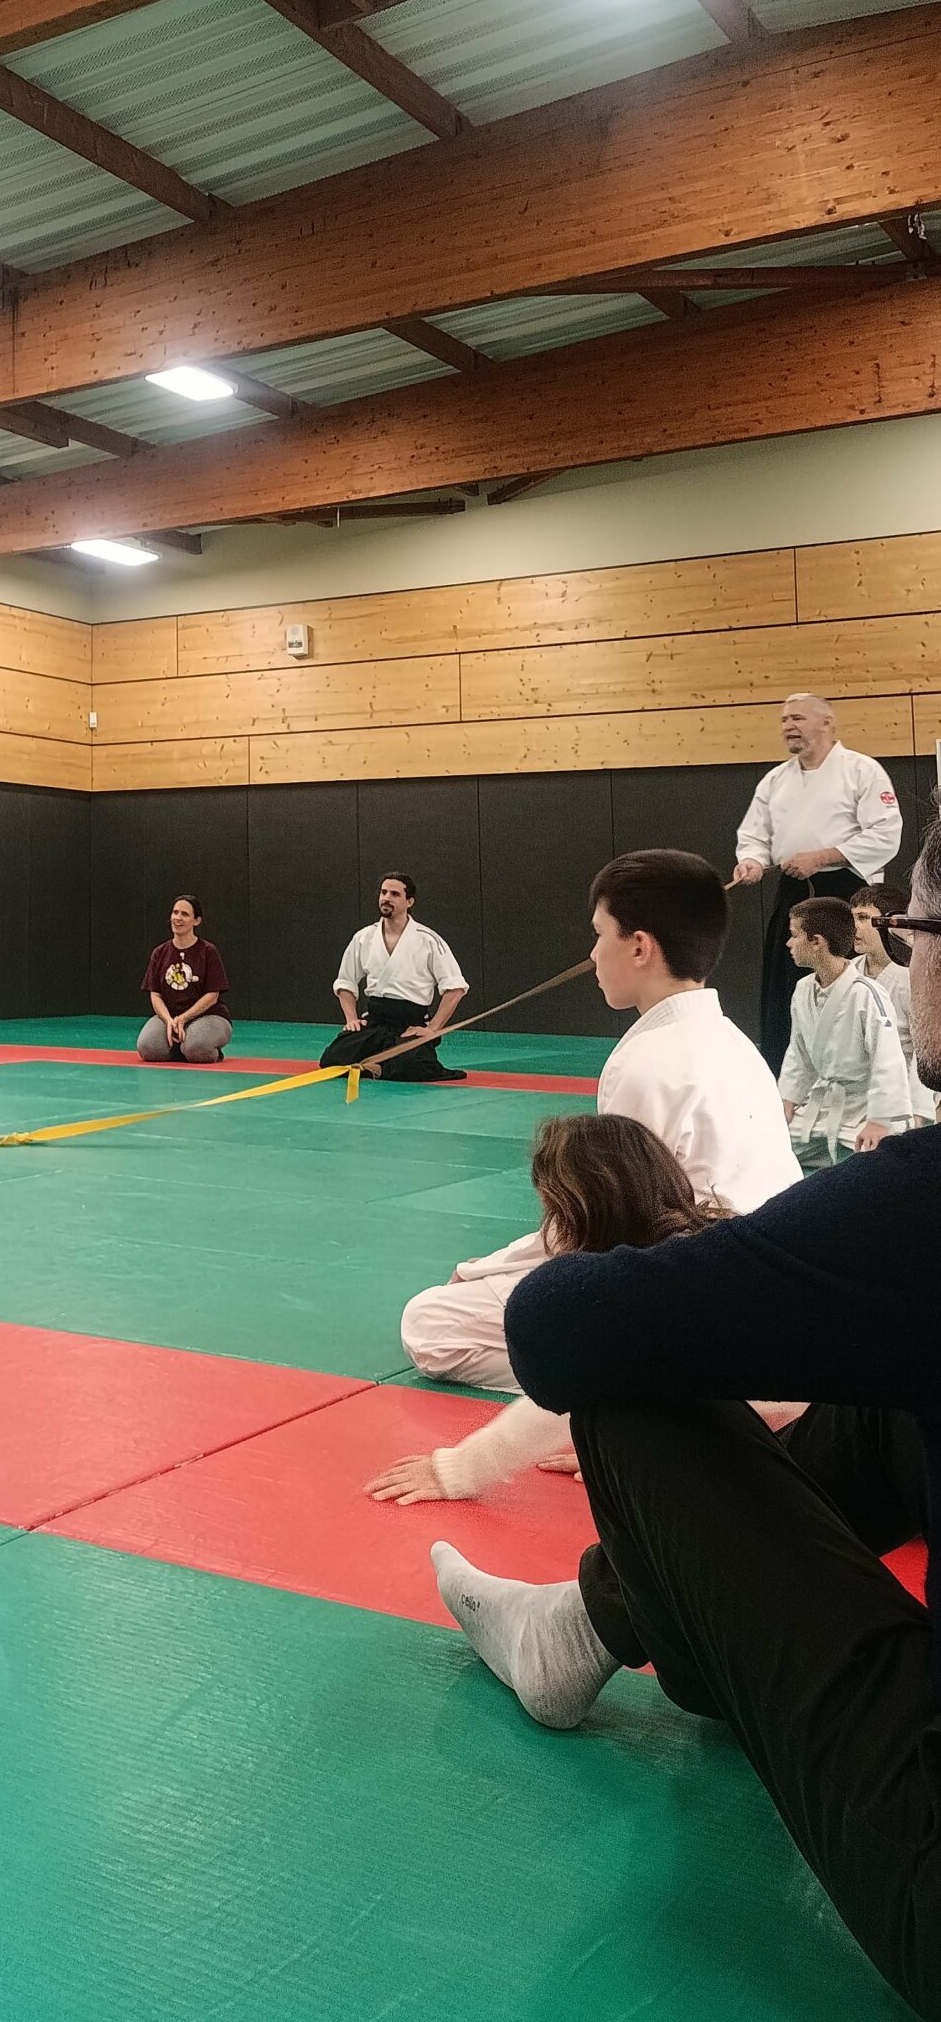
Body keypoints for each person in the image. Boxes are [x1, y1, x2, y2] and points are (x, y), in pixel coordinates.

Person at [425, 808, 941, 2021]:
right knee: (880, 1401)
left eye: (916, 928)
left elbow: (561, 1326)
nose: (904, 953)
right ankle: (600, 1617)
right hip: (796, 1285)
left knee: (624, 1374)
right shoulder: (739, 1045)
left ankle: (597, 1628)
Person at [399, 850, 799, 1390]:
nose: (592, 954)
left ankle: (642, 1385)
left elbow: (606, 1226)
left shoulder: (644, 1062)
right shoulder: (739, 1045)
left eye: (599, 934)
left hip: (693, 1290)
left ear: (639, 947)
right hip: (765, 1281)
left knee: (431, 1323)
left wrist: (488, 1267)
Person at [370, 1114, 753, 1507]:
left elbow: (573, 1388)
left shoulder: (650, 1288)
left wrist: (455, 1472)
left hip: (767, 1456)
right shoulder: (702, 1239)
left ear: (582, 1214)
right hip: (756, 1431)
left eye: (554, 1213)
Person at [732, 692, 901, 1070]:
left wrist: (823, 856)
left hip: (847, 893)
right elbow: (755, 834)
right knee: (787, 984)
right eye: (784, 720)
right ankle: (786, 1071)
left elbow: (886, 833)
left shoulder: (862, 770)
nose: (788, 726)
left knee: (846, 984)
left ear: (826, 723)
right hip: (793, 890)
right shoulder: (775, 780)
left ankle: (855, 1068)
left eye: (798, 718)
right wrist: (751, 861)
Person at [777, 895, 911, 1165]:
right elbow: (799, 1055)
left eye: (795, 935)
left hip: (864, 1109)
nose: (789, 943)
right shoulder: (803, 989)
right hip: (822, 1107)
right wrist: (789, 1099)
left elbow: (887, 1059)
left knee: (875, 1162)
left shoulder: (867, 993)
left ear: (817, 942)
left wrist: (879, 1120)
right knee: (767, 1148)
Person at [318, 873, 468, 1083]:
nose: (386, 898)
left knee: (412, 1066)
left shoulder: (428, 940)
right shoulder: (363, 937)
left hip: (411, 1023)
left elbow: (455, 988)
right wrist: (351, 1019)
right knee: (333, 1059)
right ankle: (382, 1065)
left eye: (395, 894)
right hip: (375, 1021)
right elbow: (345, 982)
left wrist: (433, 1028)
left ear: (409, 901)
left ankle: (377, 1066)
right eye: (384, 892)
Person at [854, 882, 936, 1126]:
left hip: (902, 1096)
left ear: (892, 924)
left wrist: (917, 1112)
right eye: (852, 918)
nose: (854, 926)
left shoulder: (911, 976)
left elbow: (923, 1051)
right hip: (855, 1095)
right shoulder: (848, 973)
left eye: (863, 918)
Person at [137, 894, 232, 1063]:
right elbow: (155, 994)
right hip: (171, 1016)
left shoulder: (208, 952)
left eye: (185, 914)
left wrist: (184, 1018)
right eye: (175, 912)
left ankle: (200, 1049)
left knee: (197, 1049)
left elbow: (212, 996)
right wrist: (168, 1020)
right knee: (148, 1048)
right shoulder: (159, 953)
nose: (177, 918)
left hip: (208, 1016)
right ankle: (182, 1049)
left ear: (197, 921)